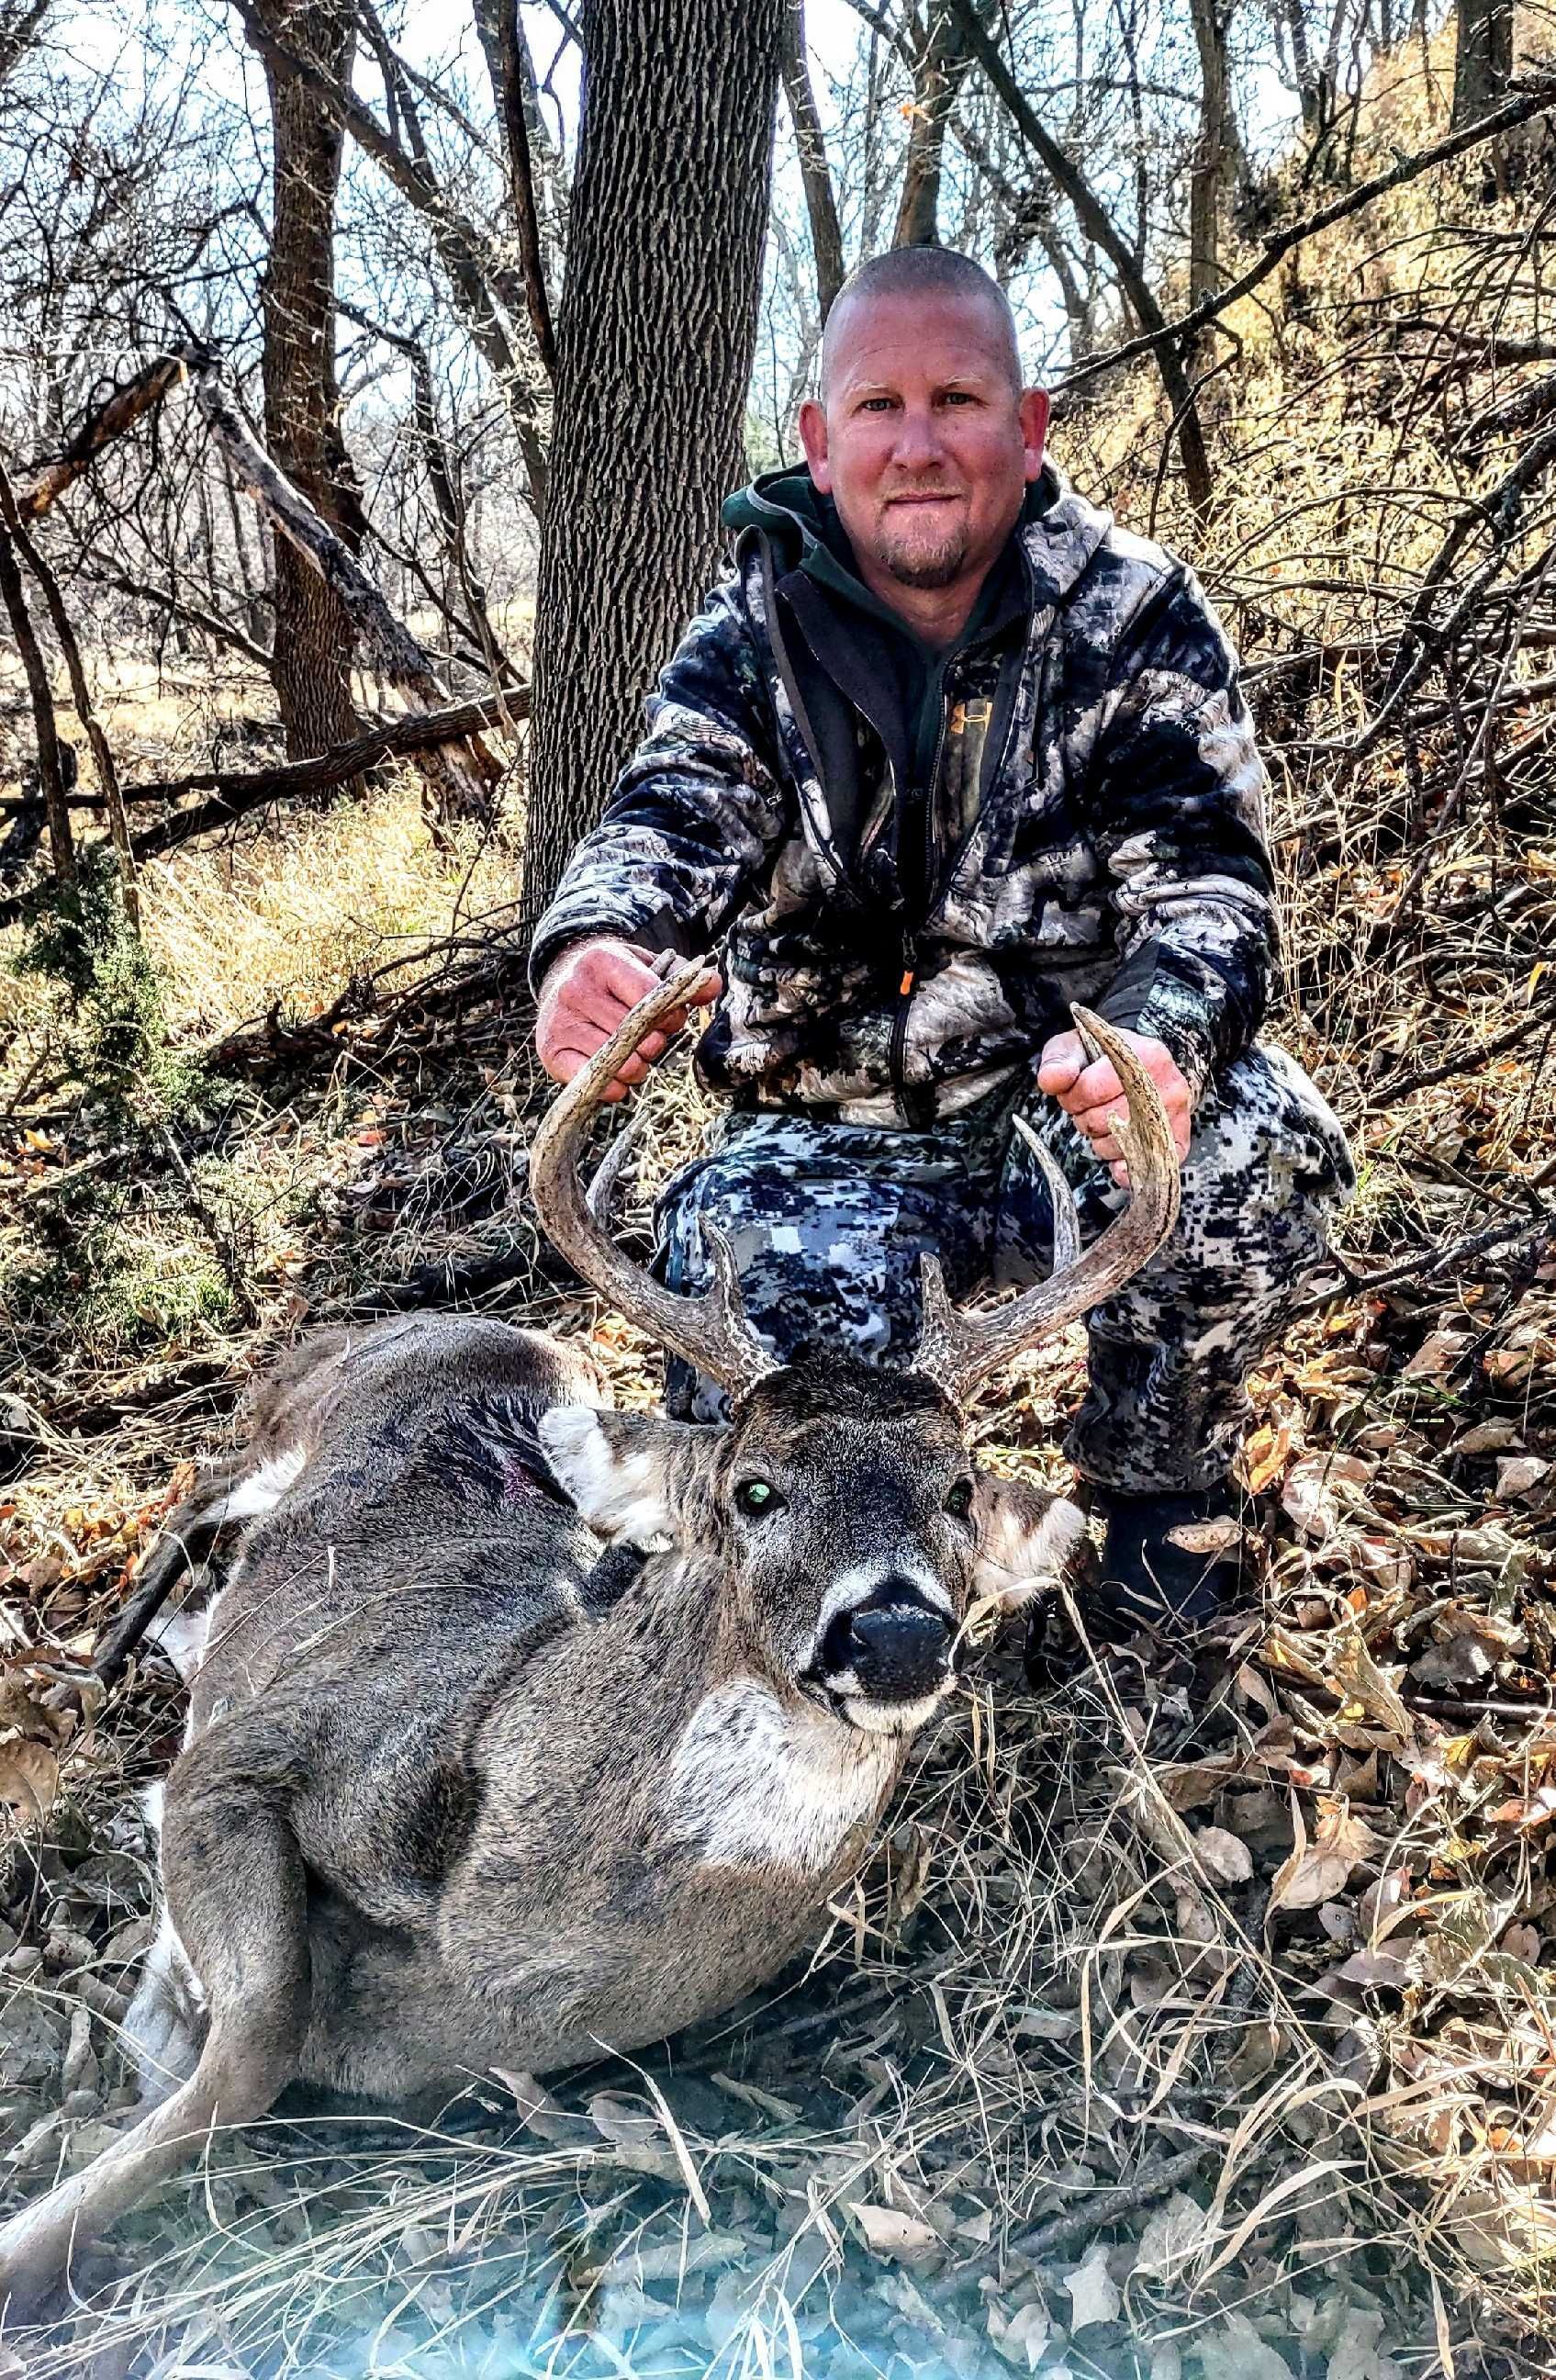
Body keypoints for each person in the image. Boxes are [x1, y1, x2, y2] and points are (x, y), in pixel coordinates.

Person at [529, 245, 1353, 1629]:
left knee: (1255, 1150)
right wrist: (594, 944)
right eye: (879, 407)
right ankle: (798, 1581)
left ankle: (1157, 1498)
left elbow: (1212, 890)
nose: (917, 446)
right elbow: (666, 816)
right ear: (819, 441)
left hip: (1054, 1108)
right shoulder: (748, 642)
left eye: (958, 400)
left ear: (1027, 428)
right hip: (824, 1131)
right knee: (745, 1334)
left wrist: (1159, 1043)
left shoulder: (1134, 620)